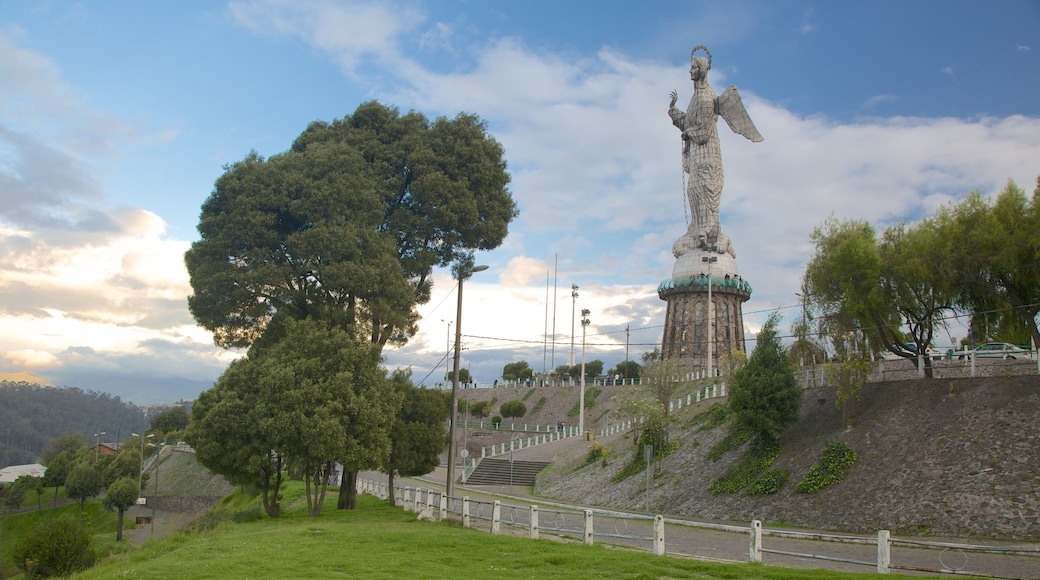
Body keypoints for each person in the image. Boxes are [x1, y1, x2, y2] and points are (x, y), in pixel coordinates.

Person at [669, 45, 762, 259]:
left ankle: (708, 231)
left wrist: (687, 134)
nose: (690, 71)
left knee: (703, 189)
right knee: (694, 190)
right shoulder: (696, 98)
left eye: (693, 67)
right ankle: (698, 228)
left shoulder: (705, 97)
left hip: (707, 155)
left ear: (702, 69)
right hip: (698, 156)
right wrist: (674, 110)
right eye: (690, 67)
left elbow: (702, 132)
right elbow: (689, 123)